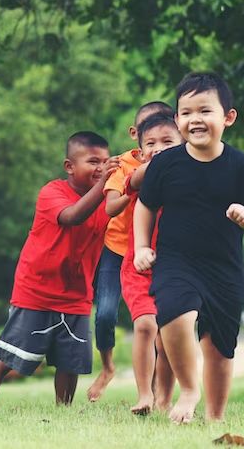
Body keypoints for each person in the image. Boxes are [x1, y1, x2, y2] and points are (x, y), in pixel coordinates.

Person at [133, 72, 244, 424]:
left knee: (220, 349)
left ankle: (216, 417)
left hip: (224, 267)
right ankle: (189, 390)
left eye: (205, 110)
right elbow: (144, 206)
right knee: (175, 313)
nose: (195, 119)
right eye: (186, 112)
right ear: (178, 120)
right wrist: (141, 247)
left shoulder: (240, 165)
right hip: (175, 261)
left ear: (228, 117)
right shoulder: (165, 164)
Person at [0, 131, 120, 405]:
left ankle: (62, 407)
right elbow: (73, 216)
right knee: (23, 346)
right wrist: (103, 184)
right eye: (92, 161)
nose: (100, 168)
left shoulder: (107, 202)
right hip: (37, 286)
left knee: (72, 356)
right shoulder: (52, 192)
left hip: (77, 291)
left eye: (104, 162)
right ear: (69, 167)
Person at [87, 101, 175, 402]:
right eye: (150, 136)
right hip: (118, 250)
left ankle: (154, 390)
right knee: (107, 314)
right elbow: (110, 206)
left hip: (159, 252)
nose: (158, 143)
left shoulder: (178, 164)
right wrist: (135, 185)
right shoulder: (123, 166)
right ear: (136, 135)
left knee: (159, 325)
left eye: (167, 135)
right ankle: (109, 367)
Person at [118, 113, 182, 415]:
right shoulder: (142, 175)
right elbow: (134, 180)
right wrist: (159, 161)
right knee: (145, 325)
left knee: (168, 336)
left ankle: (164, 398)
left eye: (168, 142)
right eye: (151, 144)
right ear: (141, 152)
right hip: (139, 267)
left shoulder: (189, 177)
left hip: (175, 269)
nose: (158, 148)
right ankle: (144, 394)